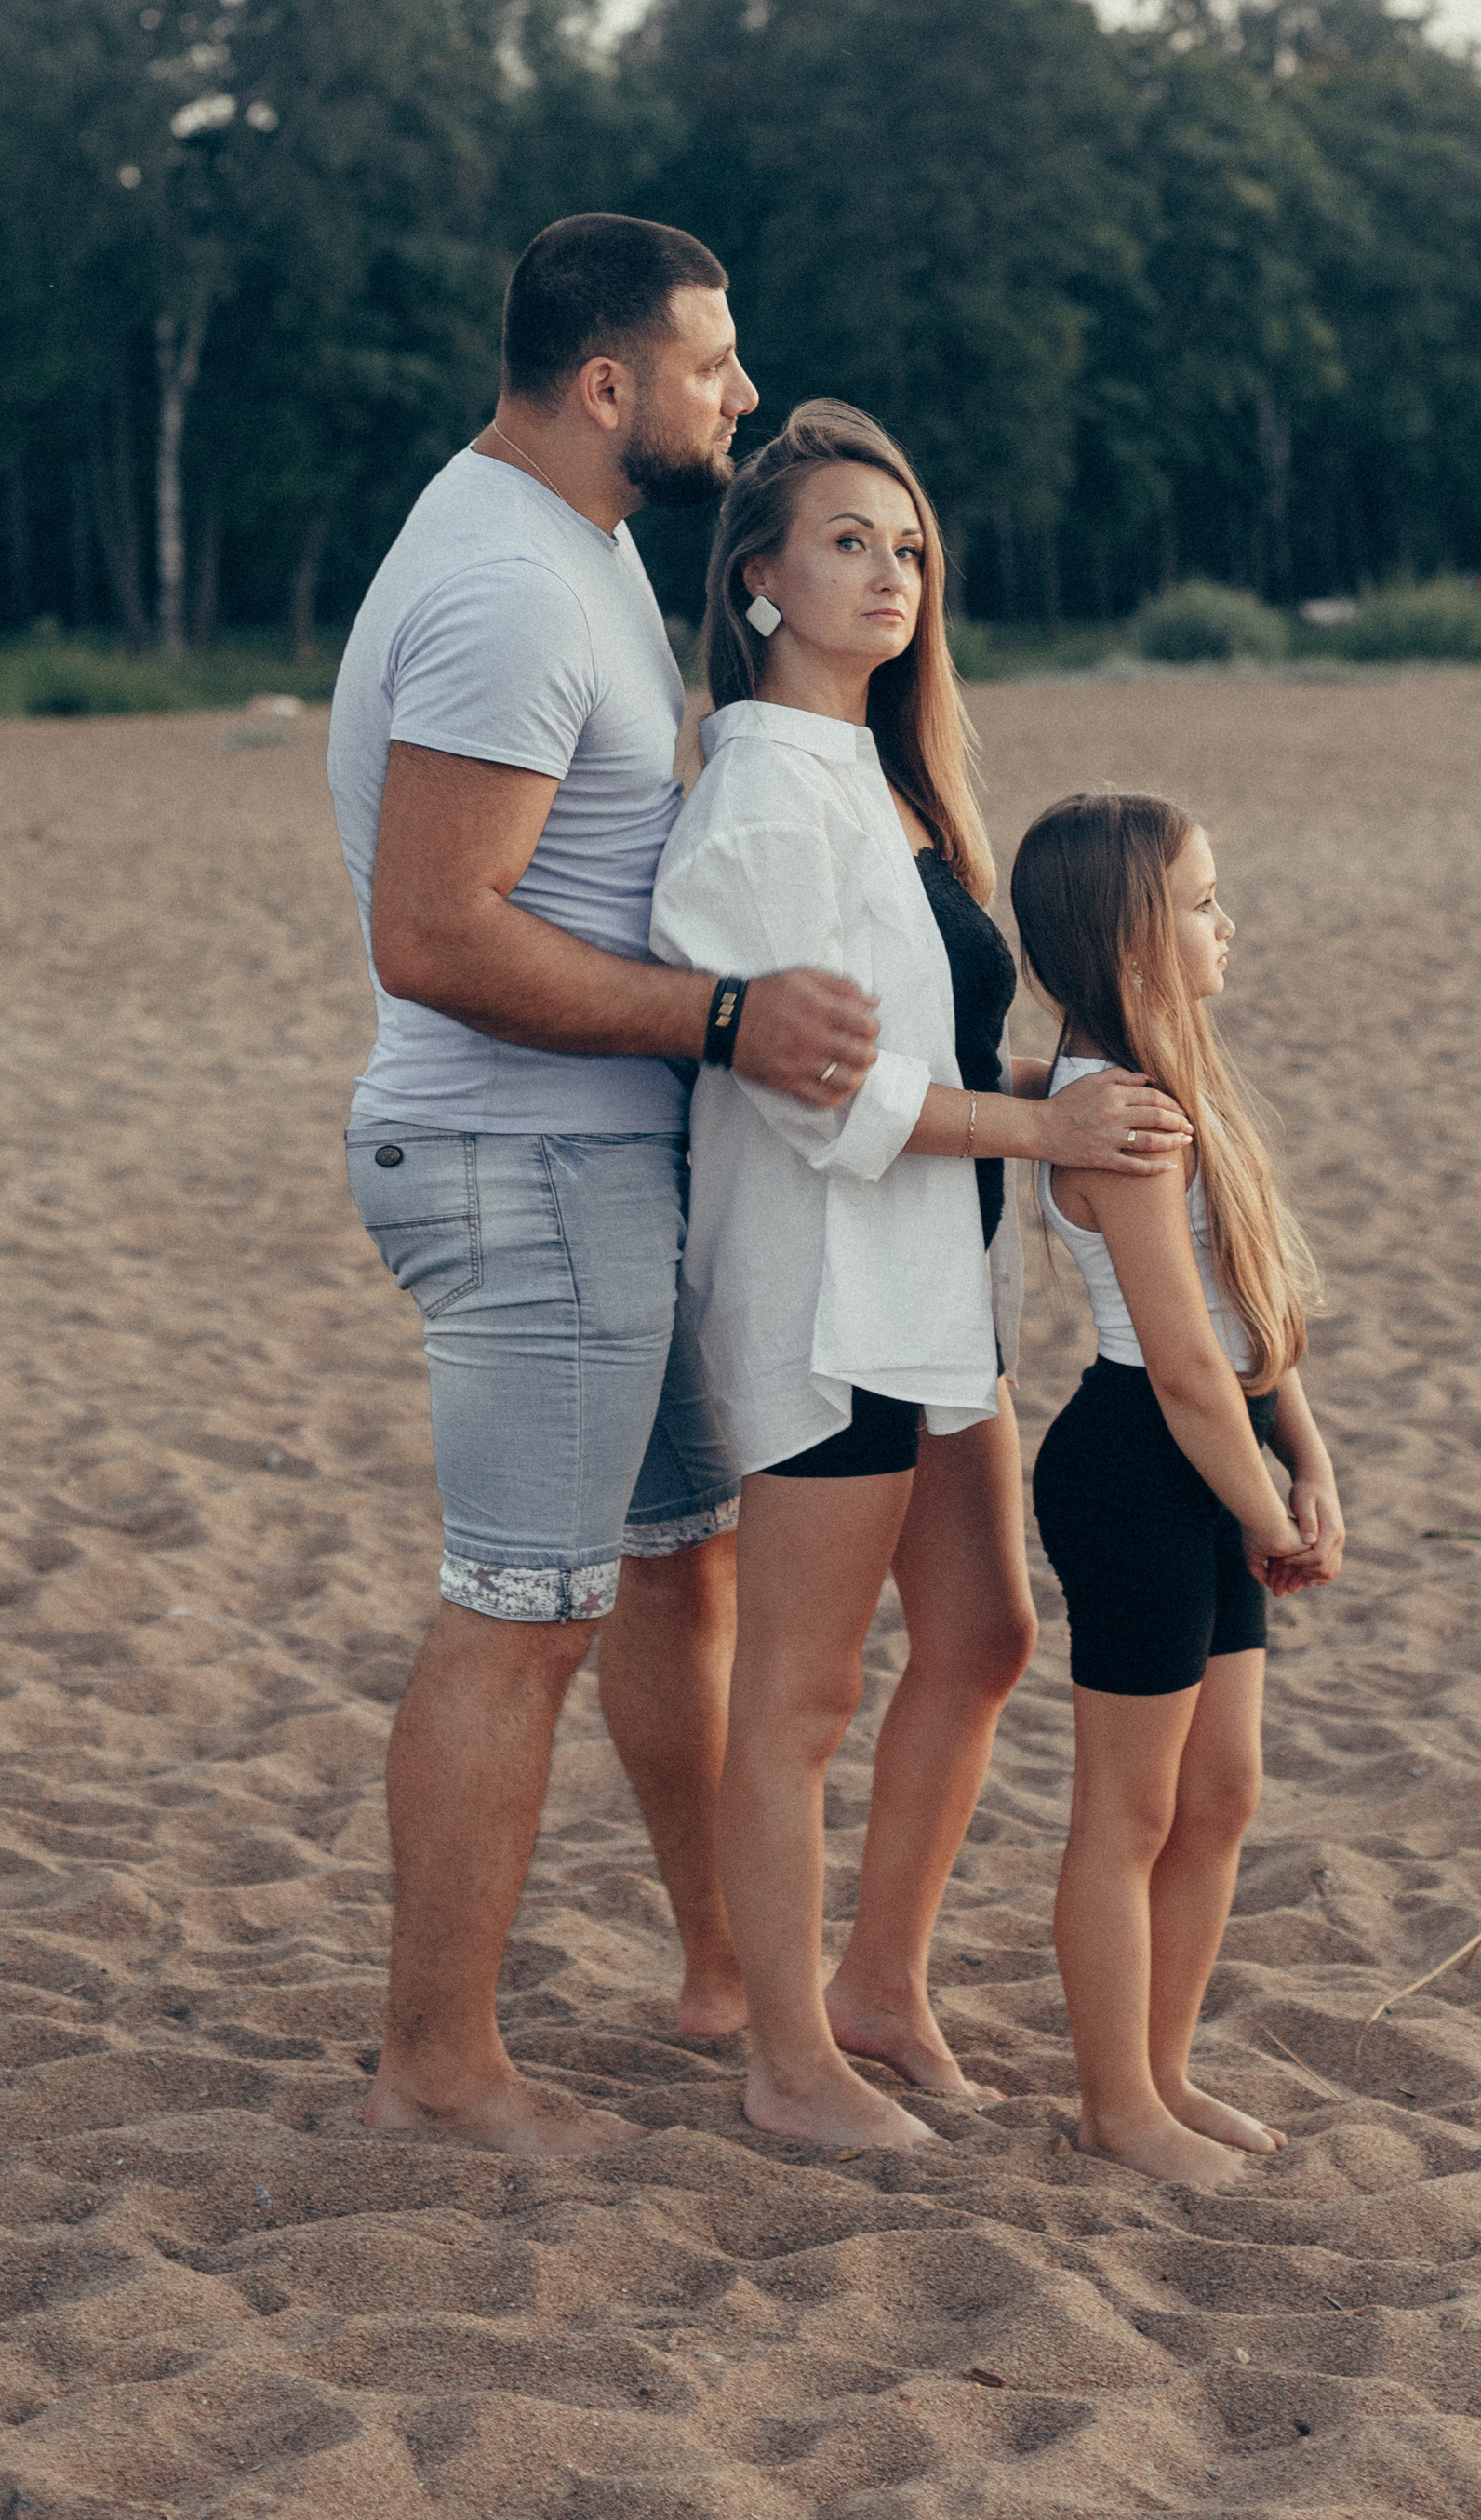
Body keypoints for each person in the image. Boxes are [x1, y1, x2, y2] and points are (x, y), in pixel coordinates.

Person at [327, 216, 883, 2156]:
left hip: (596, 1167)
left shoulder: (572, 550)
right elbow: (435, 932)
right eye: (713, 367)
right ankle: (436, 2071)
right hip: (516, 1162)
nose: (741, 397)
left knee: (677, 1554)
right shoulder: (501, 584)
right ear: (604, 387)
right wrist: (725, 1017)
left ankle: (730, 1971)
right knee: (520, 1612)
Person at [648, 402, 1195, 2149]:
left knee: (981, 1635)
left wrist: (1062, 1090)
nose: (887, 576)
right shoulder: (754, 787)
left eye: (908, 550)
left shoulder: (892, 780)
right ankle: (787, 2055)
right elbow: (809, 1086)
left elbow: (941, 1038)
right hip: (823, 1289)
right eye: (844, 545)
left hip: (937, 1293)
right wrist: (1038, 1141)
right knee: (801, 1692)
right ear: (757, 582)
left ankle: (881, 1985)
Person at [1012, 791, 1345, 2193]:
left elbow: (1245, 1308)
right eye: (1203, 901)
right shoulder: (1113, 1114)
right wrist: (1261, 1509)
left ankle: (1164, 2069)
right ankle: (1114, 2105)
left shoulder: (1180, 1078)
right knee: (1130, 1811)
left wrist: (1309, 1455)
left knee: (1222, 1794)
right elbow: (1183, 1362)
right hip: (1136, 1468)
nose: (1228, 923)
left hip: (1213, 1459)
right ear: (1133, 938)